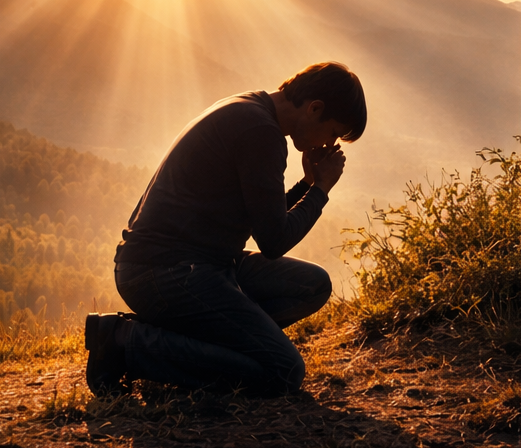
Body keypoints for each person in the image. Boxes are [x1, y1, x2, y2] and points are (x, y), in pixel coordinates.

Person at [84, 62, 366, 397]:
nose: (331, 143)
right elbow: (274, 241)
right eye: (333, 132)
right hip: (163, 272)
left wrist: (307, 184)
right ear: (315, 108)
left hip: (203, 263)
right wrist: (321, 189)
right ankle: (123, 343)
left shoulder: (252, 109)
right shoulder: (261, 132)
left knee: (312, 285)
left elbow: (266, 215)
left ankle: (217, 341)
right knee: (284, 371)